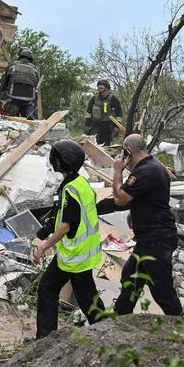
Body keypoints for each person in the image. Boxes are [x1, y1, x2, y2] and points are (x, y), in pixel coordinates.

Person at [97, 134, 184, 317]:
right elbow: (152, 198)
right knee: (131, 277)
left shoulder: (143, 171)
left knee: (162, 289)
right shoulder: (155, 167)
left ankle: (181, 327)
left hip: (156, 240)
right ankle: (120, 317)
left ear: (128, 151)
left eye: (124, 152)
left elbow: (120, 199)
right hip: (149, 239)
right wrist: (134, 212)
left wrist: (118, 171)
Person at [33, 140, 108, 338]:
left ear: (62, 161)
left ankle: (46, 337)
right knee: (85, 296)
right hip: (82, 252)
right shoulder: (80, 183)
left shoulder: (70, 190)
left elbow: (66, 226)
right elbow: (64, 215)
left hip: (74, 255)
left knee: (51, 289)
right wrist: (48, 226)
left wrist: (43, 247)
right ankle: (106, 331)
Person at [0, 48, 41, 119]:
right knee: (32, 100)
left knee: (2, 98)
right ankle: (29, 111)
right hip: (28, 101)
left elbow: (3, 83)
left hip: (12, 99)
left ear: (20, 56)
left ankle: (11, 108)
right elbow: (35, 85)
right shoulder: (36, 70)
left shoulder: (12, 66)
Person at [85, 80, 123, 146]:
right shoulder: (94, 99)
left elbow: (119, 114)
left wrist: (117, 127)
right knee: (93, 144)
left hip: (107, 126)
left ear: (107, 89)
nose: (100, 90)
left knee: (105, 145)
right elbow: (88, 113)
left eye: (102, 88)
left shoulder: (113, 99)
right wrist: (87, 125)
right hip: (95, 125)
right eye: (99, 88)